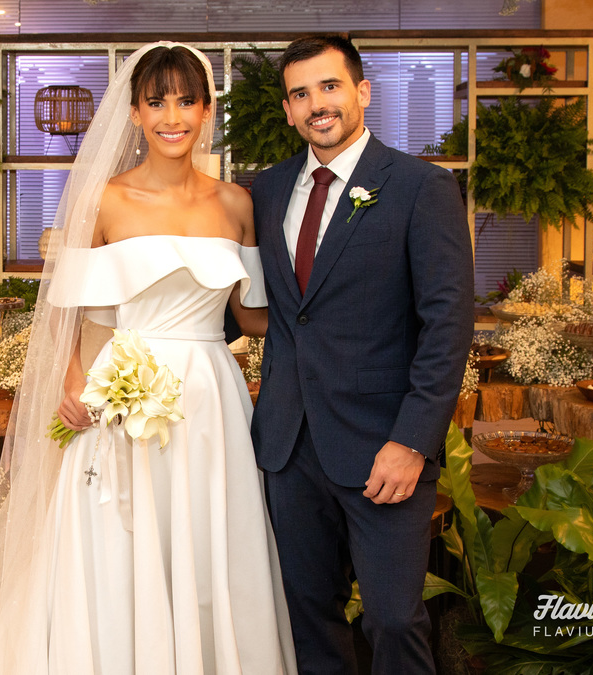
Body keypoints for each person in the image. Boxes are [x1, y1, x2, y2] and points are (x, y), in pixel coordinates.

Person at [0, 42, 296, 675]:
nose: (172, 116)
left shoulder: (239, 204)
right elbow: (90, 315)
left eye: (186, 100)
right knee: (119, 544)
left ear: (207, 110)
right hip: (124, 393)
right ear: (134, 113)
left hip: (211, 400)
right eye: (157, 102)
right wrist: (76, 380)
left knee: (209, 541)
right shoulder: (105, 201)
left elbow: (257, 316)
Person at [248, 35, 474, 675]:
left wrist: (413, 440)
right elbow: (251, 306)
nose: (316, 104)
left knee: (395, 618)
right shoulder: (265, 192)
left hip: (385, 448)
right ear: (288, 111)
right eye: (300, 93)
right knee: (306, 612)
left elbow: (447, 325)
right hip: (289, 447)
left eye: (329, 86)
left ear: (362, 93)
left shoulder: (420, 188)